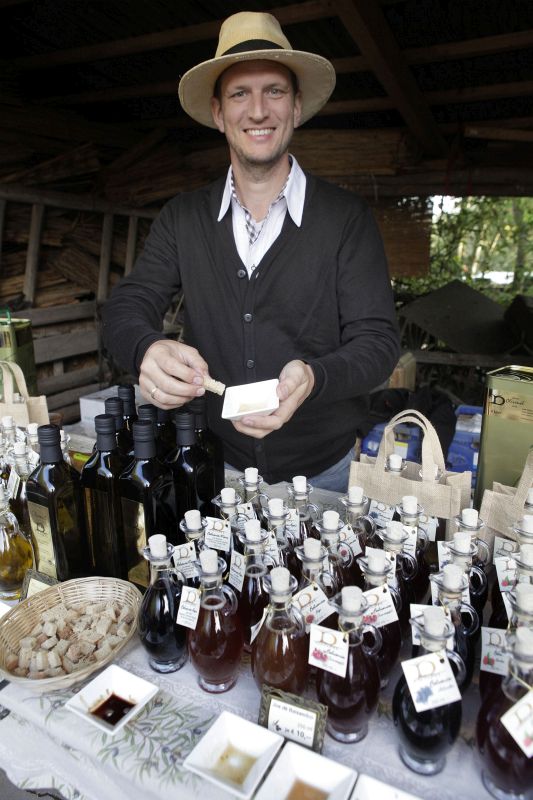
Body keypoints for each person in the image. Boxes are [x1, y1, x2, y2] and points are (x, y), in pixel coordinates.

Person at [101, 11, 400, 491]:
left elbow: (379, 343)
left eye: (274, 91)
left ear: (296, 107)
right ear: (219, 113)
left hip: (327, 473)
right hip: (216, 467)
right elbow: (128, 304)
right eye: (240, 93)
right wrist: (146, 349)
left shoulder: (346, 218)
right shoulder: (183, 217)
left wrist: (314, 377)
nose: (258, 111)